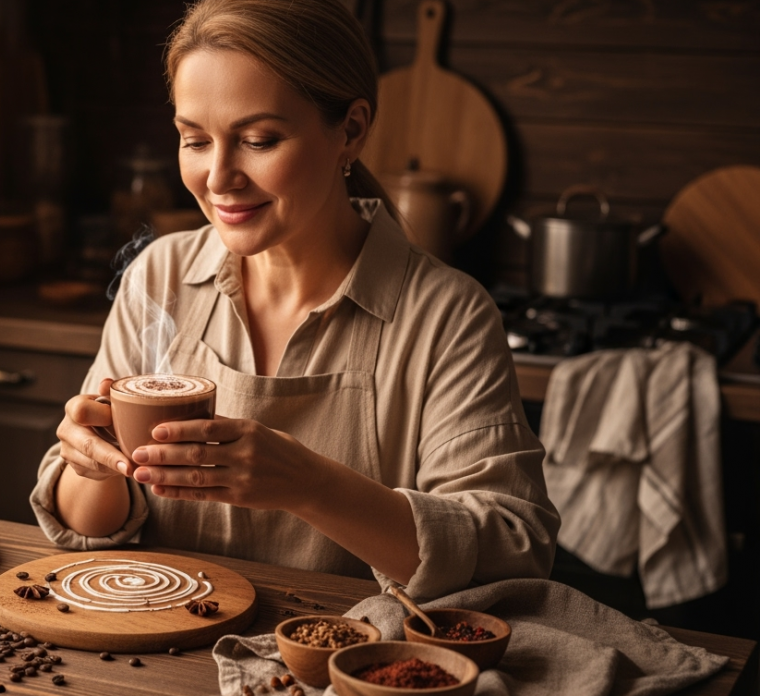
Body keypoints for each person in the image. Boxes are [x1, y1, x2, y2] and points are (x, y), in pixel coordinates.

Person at [29, 0, 559, 600]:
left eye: (259, 140)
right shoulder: (161, 275)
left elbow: (513, 552)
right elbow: (87, 526)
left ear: (350, 131)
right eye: (195, 141)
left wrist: (310, 486)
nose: (219, 176)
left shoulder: (446, 315)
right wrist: (89, 467)